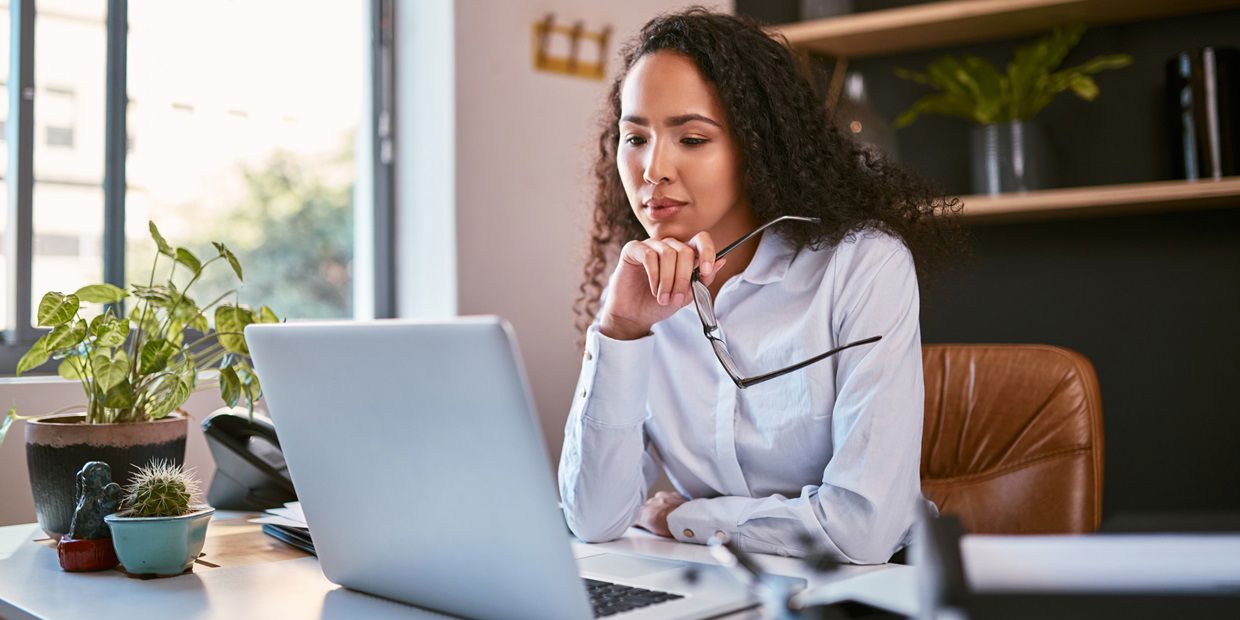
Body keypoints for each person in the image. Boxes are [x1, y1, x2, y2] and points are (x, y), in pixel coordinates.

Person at [558, 8, 961, 564]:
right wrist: (621, 331)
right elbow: (592, 519)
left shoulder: (862, 266)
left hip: (861, 591)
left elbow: (863, 530)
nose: (653, 170)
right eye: (635, 138)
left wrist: (684, 518)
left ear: (758, 145)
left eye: (692, 138)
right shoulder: (639, 290)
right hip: (710, 586)